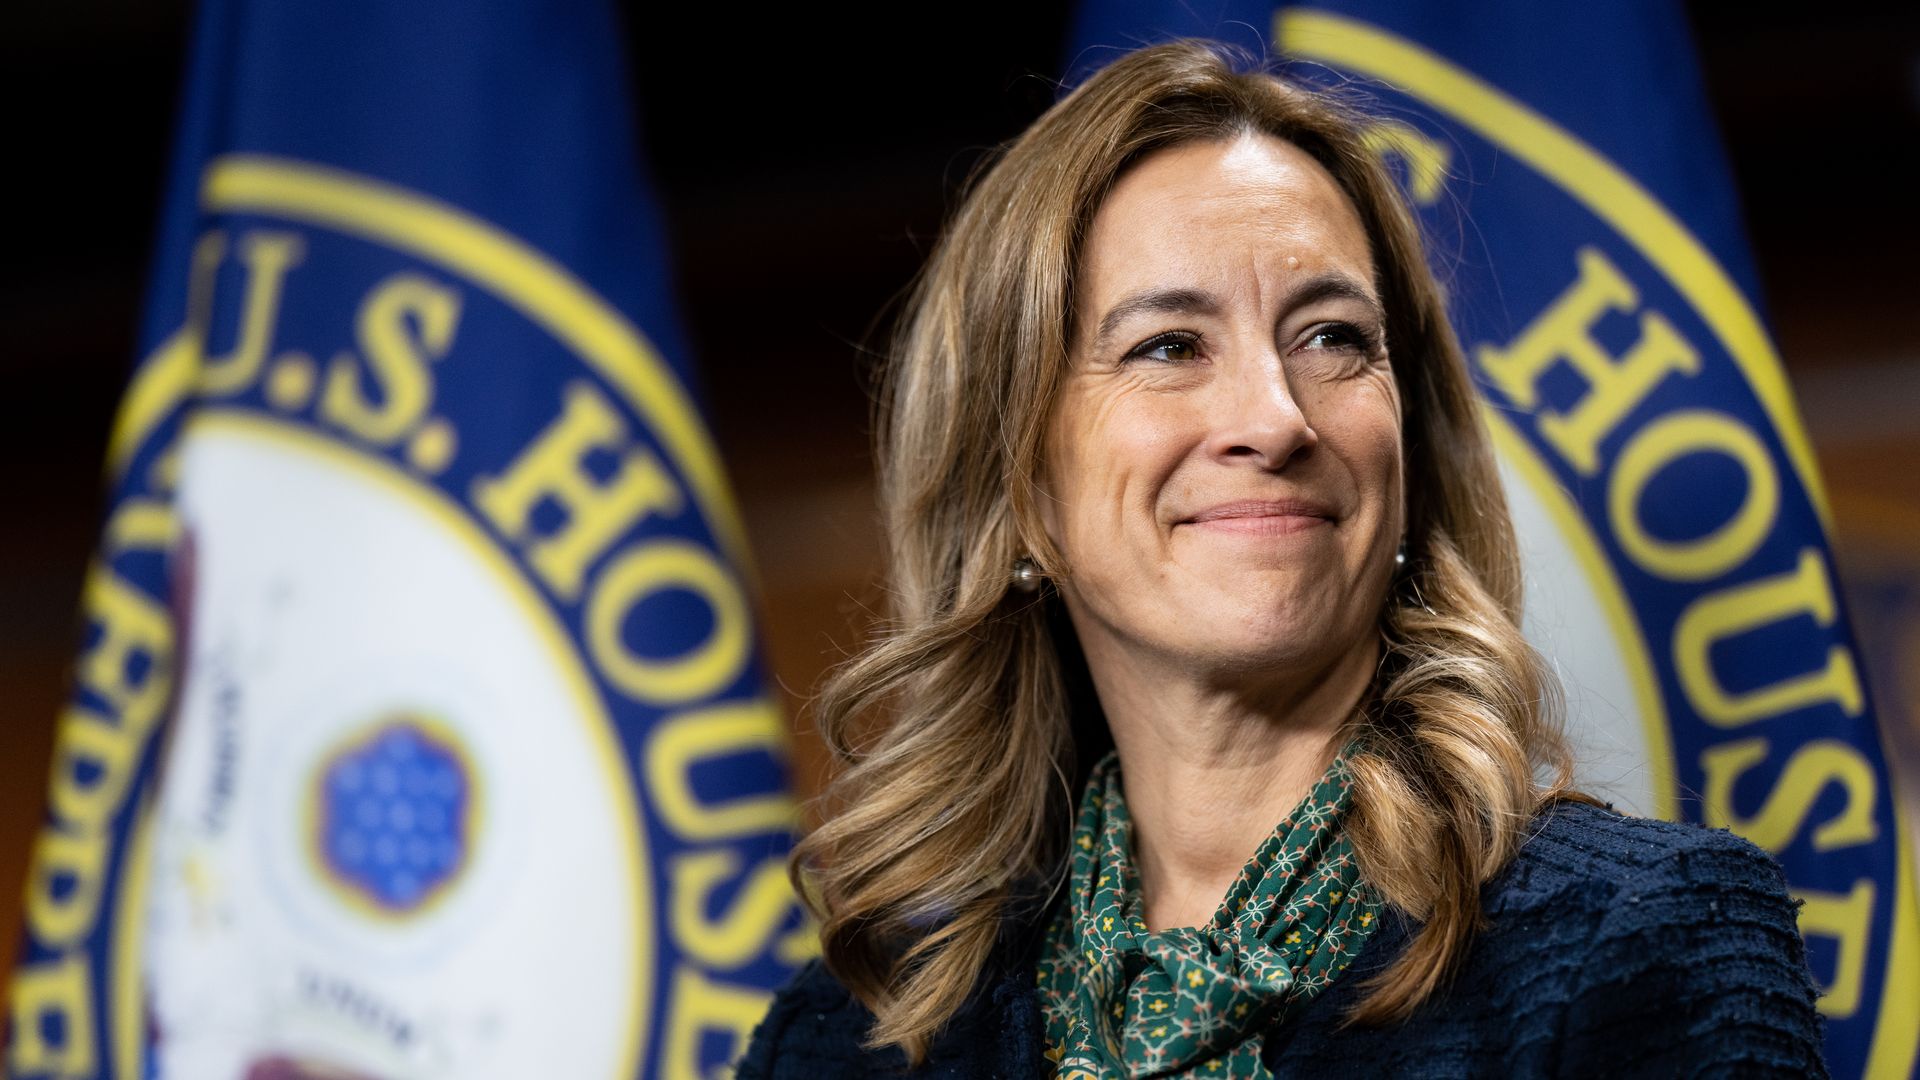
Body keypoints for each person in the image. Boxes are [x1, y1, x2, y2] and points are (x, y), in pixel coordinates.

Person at [736, 38, 1828, 1079]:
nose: (1274, 417)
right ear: (1021, 496)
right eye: (1169, 346)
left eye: (1332, 338)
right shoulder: (848, 1039)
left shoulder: (1643, 939)